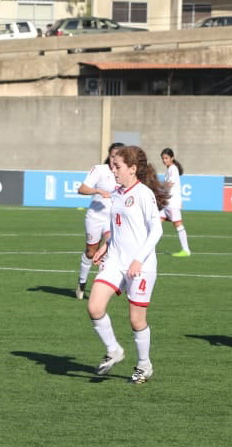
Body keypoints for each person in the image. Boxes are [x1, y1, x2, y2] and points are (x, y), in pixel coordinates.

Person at [88, 146, 170, 384]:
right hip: (115, 260)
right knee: (94, 307)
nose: (113, 171)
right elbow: (118, 227)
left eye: (117, 167)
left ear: (132, 169)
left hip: (141, 265)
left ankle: (144, 365)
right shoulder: (115, 193)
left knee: (136, 320)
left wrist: (138, 259)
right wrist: (105, 246)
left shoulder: (144, 194)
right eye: (112, 166)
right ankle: (114, 350)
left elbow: (156, 230)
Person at [75, 142, 124, 300]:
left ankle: (101, 289)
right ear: (108, 156)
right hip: (95, 217)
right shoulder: (99, 170)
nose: (114, 160)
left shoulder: (125, 173)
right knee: (91, 252)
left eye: (118, 157)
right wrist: (97, 190)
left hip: (112, 219)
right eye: (112, 156)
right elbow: (81, 189)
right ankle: (82, 282)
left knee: (110, 250)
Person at [160, 148, 192, 257]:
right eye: (163, 158)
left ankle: (186, 250)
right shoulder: (169, 169)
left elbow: (170, 184)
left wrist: (157, 186)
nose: (164, 160)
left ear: (172, 158)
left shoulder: (173, 169)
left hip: (172, 203)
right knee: (156, 223)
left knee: (178, 224)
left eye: (166, 158)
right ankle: (148, 248)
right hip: (166, 203)